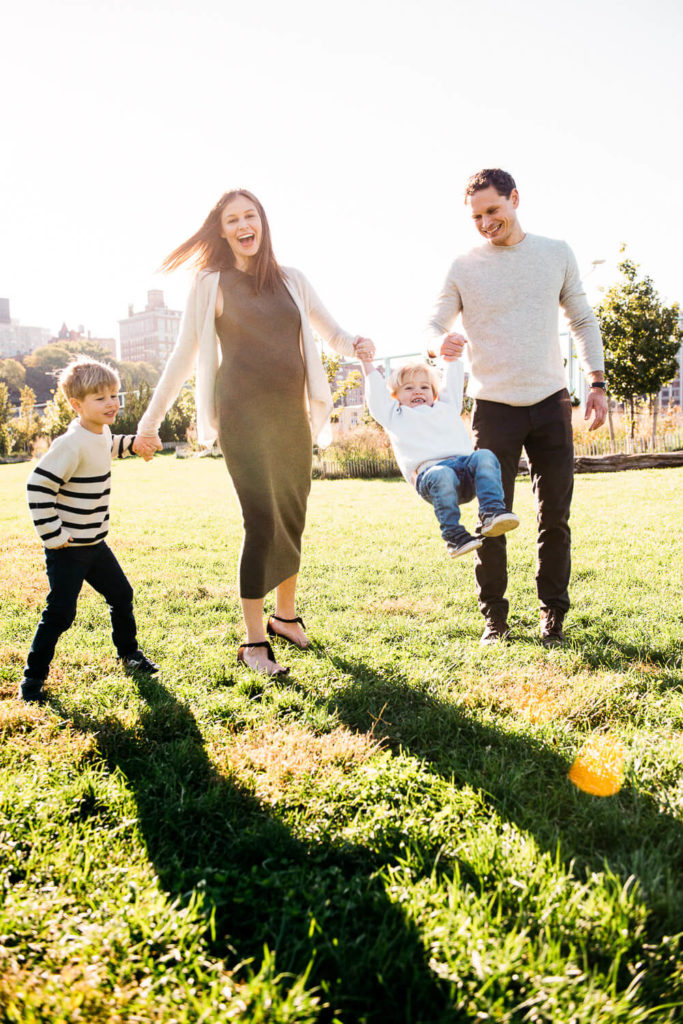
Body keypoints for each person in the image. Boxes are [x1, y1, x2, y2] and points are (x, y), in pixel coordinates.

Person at [134, 188, 374, 676]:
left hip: (291, 416)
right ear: (221, 231)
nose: (244, 225)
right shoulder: (210, 283)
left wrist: (357, 344)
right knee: (261, 521)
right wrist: (148, 422)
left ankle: (285, 616)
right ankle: (253, 643)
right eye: (233, 220)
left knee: (292, 517)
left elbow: (333, 334)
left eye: (251, 216)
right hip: (242, 418)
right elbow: (183, 356)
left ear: (262, 223)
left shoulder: (292, 280)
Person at [425, 168, 607, 647]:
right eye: (477, 216)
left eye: (493, 211)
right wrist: (437, 342)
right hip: (494, 410)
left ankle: (553, 614)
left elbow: (584, 320)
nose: (486, 222)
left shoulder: (555, 253)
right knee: (492, 517)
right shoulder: (464, 266)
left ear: (515, 199)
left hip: (550, 404)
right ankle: (495, 619)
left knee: (555, 517)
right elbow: (433, 322)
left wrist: (597, 382)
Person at [20, 358, 158, 702]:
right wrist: (54, 535)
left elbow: (108, 446)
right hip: (67, 548)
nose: (112, 402)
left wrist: (135, 444)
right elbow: (37, 487)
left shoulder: (99, 432)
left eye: (114, 394)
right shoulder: (70, 444)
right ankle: (32, 681)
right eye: (101, 398)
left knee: (121, 595)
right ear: (76, 405)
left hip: (95, 544)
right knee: (61, 614)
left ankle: (129, 655)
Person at [359, 354, 520, 557]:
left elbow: (452, 382)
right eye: (408, 388)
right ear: (395, 396)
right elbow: (376, 396)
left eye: (424, 387)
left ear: (435, 393)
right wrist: (366, 363)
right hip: (432, 477)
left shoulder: (447, 407)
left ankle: (491, 511)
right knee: (443, 474)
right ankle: (454, 536)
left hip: (466, 474)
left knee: (485, 456)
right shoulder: (394, 415)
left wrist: (452, 358)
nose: (417, 391)